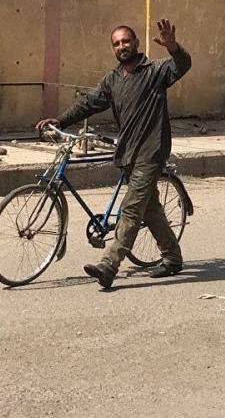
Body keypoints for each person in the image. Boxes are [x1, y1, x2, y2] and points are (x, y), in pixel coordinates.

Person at [36, 19, 191, 288]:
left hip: (151, 151)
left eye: (126, 41)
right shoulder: (113, 79)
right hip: (128, 151)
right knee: (150, 208)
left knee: (131, 209)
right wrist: (61, 120)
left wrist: (173, 46)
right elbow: (88, 103)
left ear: (136, 43)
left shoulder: (155, 71)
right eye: (117, 43)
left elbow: (183, 64)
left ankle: (109, 264)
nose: (122, 46)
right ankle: (172, 257)